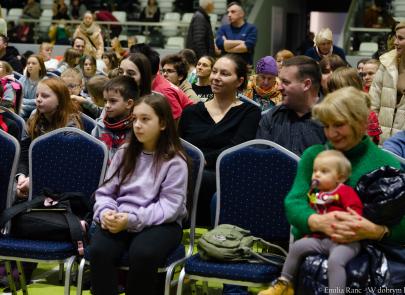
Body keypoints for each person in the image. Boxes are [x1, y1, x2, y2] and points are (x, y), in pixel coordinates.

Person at [279, 86, 401, 294]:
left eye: (339, 125)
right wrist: (316, 221)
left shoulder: (387, 163)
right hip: (313, 258)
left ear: (362, 123)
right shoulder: (314, 155)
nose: (331, 134)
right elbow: (294, 201)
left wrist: (378, 231)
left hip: (370, 267)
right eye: (326, 126)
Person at [89, 92, 188, 295]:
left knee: (143, 253)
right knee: (99, 250)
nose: (137, 125)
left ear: (162, 124)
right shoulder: (125, 153)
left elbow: (169, 207)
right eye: (135, 119)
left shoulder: (175, 160)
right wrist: (106, 212)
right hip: (121, 217)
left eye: (145, 119)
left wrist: (132, 220)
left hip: (161, 223)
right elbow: (106, 192)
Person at [259, 150, 363, 295]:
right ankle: (285, 283)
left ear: (341, 177)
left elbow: (356, 211)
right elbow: (311, 210)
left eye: (324, 171)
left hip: (344, 241)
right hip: (321, 239)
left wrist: (349, 220)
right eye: (315, 171)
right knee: (297, 247)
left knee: (335, 261)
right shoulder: (317, 194)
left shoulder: (345, 192)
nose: (317, 174)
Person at [179, 54, 261, 226]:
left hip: (226, 173)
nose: (216, 77)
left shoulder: (249, 112)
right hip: (188, 170)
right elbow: (179, 145)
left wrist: (198, 161)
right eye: (214, 72)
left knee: (197, 177)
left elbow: (236, 148)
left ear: (239, 81)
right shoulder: (191, 112)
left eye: (224, 74)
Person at [16, 78, 83, 199]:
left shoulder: (71, 123)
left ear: (60, 100)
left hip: (61, 181)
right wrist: (21, 177)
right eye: (37, 95)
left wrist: (35, 180)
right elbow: (25, 152)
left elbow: (66, 163)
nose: (38, 99)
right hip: (32, 176)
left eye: (45, 96)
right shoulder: (33, 118)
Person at [256, 56, 326, 156]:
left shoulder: (332, 119)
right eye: (280, 81)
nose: (279, 88)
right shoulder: (271, 118)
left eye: (285, 82)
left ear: (306, 84)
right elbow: (258, 160)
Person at [130, 44, 193, 121]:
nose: (124, 76)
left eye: (130, 72)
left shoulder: (162, 92)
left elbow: (176, 122)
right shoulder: (154, 80)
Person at [369, 22, 405, 143]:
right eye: (396, 37)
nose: (395, 42)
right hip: (381, 140)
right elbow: (372, 104)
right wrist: (374, 134)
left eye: (401, 38)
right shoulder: (386, 63)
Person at [327, 67, 382, 144]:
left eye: (339, 90)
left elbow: (368, 145)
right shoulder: (331, 112)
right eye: (332, 90)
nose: (334, 94)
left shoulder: (367, 115)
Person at [92, 76, 139, 165]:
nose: (107, 105)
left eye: (113, 101)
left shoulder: (136, 129)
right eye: (105, 101)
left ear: (129, 104)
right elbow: (91, 151)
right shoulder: (100, 125)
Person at [19, 54, 46, 120]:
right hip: (23, 107)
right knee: (18, 113)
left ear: (40, 67)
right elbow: (18, 98)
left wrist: (24, 103)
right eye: (28, 63)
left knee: (34, 114)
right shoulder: (22, 79)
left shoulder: (45, 81)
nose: (30, 65)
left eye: (33, 63)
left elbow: (41, 101)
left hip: (39, 108)